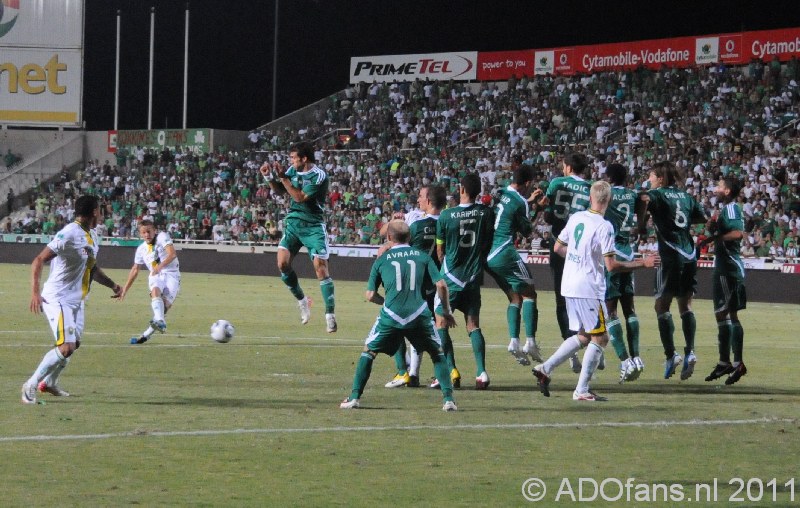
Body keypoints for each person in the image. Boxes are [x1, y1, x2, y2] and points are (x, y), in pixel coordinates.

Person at [533, 181, 658, 401]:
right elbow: (611, 266)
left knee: (584, 336)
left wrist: (578, 257)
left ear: (590, 198)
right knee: (601, 338)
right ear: (608, 200)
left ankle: (545, 368)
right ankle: (581, 390)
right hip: (588, 286)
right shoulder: (604, 226)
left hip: (569, 283)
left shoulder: (576, 218)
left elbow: (558, 247)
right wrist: (643, 263)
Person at [339, 221, 458, 411]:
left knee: (368, 351)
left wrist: (384, 302)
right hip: (419, 314)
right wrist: (445, 311)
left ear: (388, 238)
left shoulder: (381, 260)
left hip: (391, 314)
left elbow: (370, 295)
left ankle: (354, 397)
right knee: (437, 353)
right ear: (409, 237)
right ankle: (448, 400)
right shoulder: (422, 257)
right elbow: (442, 285)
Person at [22, 195, 123, 404]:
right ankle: (30, 385)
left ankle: (49, 383)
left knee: (73, 344)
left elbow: (92, 269)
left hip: (77, 299)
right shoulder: (68, 233)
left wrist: (113, 285)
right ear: (95, 211)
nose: (102, 213)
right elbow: (39, 259)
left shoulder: (93, 236)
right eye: (100, 209)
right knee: (66, 347)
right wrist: (35, 292)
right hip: (58, 297)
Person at [636, 161, 707, 380]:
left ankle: (671, 355)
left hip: (670, 255)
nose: (649, 178)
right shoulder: (686, 196)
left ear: (659, 177)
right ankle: (691, 352)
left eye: (651, 175)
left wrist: (642, 222)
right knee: (685, 305)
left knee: (661, 305)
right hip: (689, 254)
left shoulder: (657, 194)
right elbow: (701, 217)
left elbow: (644, 199)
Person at [261, 142, 337, 333]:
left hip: (313, 226)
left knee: (320, 269)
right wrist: (270, 177)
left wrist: (283, 178)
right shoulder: (291, 170)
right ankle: (303, 301)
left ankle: (330, 315)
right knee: (282, 264)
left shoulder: (318, 175)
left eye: (294, 158)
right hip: (294, 224)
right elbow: (280, 190)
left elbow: (299, 197)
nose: (291, 161)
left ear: (304, 159)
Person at [433, 173, 495, 390]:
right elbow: (487, 243)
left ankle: (452, 370)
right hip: (473, 278)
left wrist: (445, 265)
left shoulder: (446, 216)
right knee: (473, 325)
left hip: (450, 278)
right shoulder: (486, 213)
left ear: (461, 190)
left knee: (441, 323)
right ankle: (481, 373)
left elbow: (440, 250)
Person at [383, 184, 446, 388]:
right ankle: (417, 373)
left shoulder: (414, 220)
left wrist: (394, 220)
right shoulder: (446, 220)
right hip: (434, 282)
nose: (417, 200)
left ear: (428, 200)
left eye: (420, 197)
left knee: (398, 324)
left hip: (411, 281)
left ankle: (405, 372)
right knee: (425, 328)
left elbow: (387, 233)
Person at [484, 164, 544, 366]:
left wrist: (528, 203)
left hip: (487, 254)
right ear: (527, 183)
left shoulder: (500, 192)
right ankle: (531, 342)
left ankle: (513, 341)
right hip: (504, 252)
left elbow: (508, 211)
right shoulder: (521, 202)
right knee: (531, 294)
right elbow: (527, 232)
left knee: (515, 297)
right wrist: (538, 209)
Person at [540, 152, 592, 373]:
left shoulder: (557, 183)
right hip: (582, 250)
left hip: (559, 246)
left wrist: (544, 208)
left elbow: (549, 218)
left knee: (562, 300)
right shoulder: (591, 187)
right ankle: (592, 346)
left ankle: (570, 348)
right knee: (587, 297)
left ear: (569, 167)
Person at [699, 176, 748, 385]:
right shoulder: (723, 210)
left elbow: (738, 233)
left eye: (719, 186)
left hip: (729, 268)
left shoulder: (731, 208)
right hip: (722, 266)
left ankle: (737, 363)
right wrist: (712, 227)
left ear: (727, 191)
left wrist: (716, 237)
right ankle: (724, 361)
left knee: (731, 314)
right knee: (721, 314)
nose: (715, 188)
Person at [603, 163, 645, 382]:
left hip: (611, 251)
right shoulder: (632, 194)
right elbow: (642, 218)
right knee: (630, 308)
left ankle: (625, 361)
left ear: (609, 178)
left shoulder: (606, 194)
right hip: (628, 251)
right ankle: (637, 357)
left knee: (611, 311)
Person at [120, 219, 181, 344]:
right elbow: (135, 269)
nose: (147, 235)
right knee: (155, 291)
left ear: (155, 231)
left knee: (164, 308)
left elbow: (172, 254)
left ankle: (145, 336)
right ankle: (159, 321)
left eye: (149, 231)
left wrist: (160, 266)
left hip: (172, 275)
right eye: (143, 232)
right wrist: (125, 289)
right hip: (155, 275)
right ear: (140, 234)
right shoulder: (141, 249)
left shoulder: (162, 237)